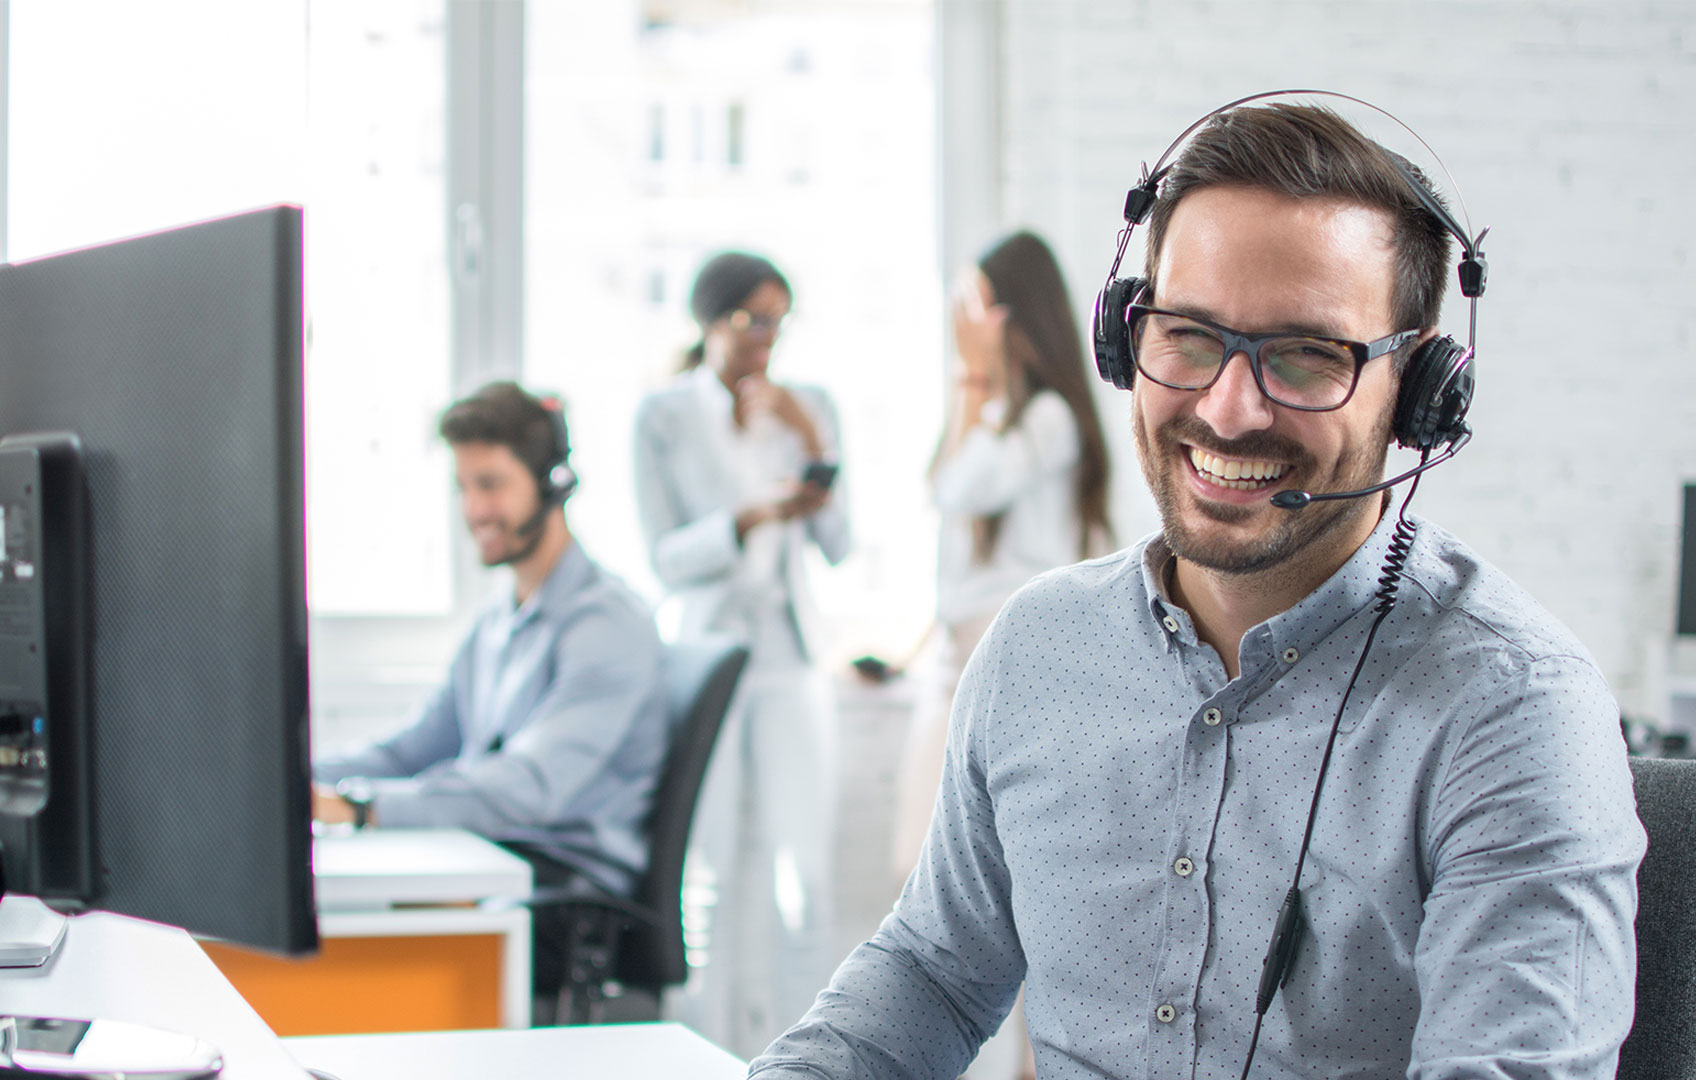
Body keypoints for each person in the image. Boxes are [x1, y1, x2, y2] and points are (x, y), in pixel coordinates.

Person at [752, 99, 1645, 1080]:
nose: (1228, 408)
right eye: (1189, 336)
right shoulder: (1039, 649)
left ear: (1419, 392)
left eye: (1309, 355)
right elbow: (934, 970)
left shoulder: (1515, 709)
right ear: (1125, 338)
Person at [888, 230, 1115, 1080]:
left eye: (978, 307)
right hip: (952, 670)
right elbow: (942, 491)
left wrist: (976, 377)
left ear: (1014, 316)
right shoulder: (996, 415)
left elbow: (963, 487)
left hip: (1013, 676)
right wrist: (970, 385)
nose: (966, 325)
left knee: (1007, 892)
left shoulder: (1049, 420)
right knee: (935, 888)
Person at [312, 381, 666, 913]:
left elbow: (528, 787)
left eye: (491, 484)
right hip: (495, 860)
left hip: (565, 894)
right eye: (463, 486)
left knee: (371, 918)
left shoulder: (607, 625)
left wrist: (358, 808)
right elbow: (411, 751)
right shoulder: (498, 618)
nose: (474, 509)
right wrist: (300, 781)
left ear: (554, 483)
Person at [632, 251, 851, 1058]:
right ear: (708, 321)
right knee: (709, 875)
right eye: (750, 321)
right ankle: (704, 1056)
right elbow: (664, 556)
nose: (766, 339)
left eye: (777, 322)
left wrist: (807, 439)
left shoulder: (810, 406)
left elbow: (838, 540)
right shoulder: (663, 415)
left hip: (789, 658)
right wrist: (750, 518)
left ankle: (818, 1062)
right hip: (707, 658)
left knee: (805, 879)